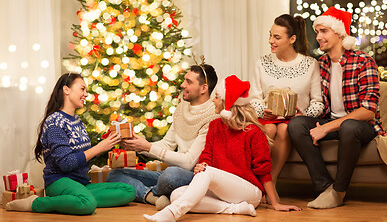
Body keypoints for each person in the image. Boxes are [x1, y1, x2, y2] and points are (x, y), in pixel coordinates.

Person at [143, 75, 301, 222]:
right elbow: (207, 155)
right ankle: (234, 209)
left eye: (217, 97)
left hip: (250, 192)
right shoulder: (214, 126)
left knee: (207, 172)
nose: (213, 101)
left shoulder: (253, 132)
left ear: (228, 103)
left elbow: (264, 171)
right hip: (221, 191)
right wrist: (202, 164)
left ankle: (172, 214)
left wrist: (275, 204)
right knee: (177, 194)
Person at [288, 7, 384, 209]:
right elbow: (320, 103)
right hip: (332, 121)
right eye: (317, 32)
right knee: (297, 124)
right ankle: (325, 187)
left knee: (348, 126)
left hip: (361, 126)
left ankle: (339, 192)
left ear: (339, 33)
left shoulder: (364, 61)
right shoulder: (321, 63)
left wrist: (326, 128)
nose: (319, 37)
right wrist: (305, 114)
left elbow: (368, 110)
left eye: (324, 31)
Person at [5, 73, 135, 215]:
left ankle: (72, 200)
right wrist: (99, 147)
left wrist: (108, 144)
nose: (86, 94)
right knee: (88, 204)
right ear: (67, 90)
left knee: (128, 191)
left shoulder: (77, 120)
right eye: (82, 89)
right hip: (59, 181)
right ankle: (36, 202)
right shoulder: (55, 122)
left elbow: (85, 157)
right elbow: (66, 163)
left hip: (81, 183)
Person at [107, 61, 219, 209]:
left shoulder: (213, 116)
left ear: (204, 88)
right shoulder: (182, 109)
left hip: (193, 176)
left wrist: (148, 147)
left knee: (170, 175)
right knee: (114, 175)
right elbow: (167, 144)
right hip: (170, 174)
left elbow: (189, 162)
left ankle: (152, 192)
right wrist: (139, 145)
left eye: (189, 82)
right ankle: (153, 197)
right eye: (184, 80)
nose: (182, 85)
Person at [250, 14, 324, 199]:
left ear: (292, 39)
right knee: (269, 129)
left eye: (276, 37)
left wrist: (303, 115)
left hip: (295, 120)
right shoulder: (262, 63)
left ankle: (271, 183)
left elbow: (318, 102)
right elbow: (255, 98)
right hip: (266, 118)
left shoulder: (310, 64)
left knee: (284, 129)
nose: (270, 41)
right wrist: (262, 111)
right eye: (270, 35)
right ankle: (257, 182)